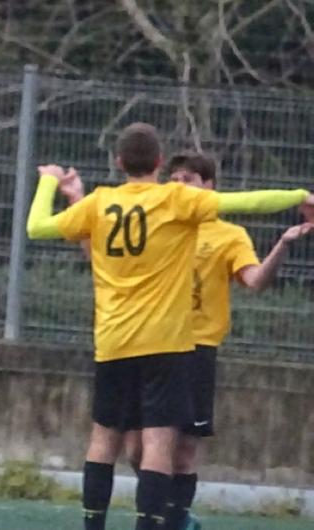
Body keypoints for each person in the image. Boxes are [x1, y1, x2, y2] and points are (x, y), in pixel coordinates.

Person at [26, 122, 313, 530]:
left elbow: (36, 227)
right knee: (158, 443)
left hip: (113, 341)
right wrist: (299, 196)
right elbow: (247, 201)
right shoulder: (174, 200)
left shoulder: (100, 202)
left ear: (119, 162)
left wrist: (48, 182)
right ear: (159, 163)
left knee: (103, 440)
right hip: (165, 344)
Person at [117, 152, 312, 530]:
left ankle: (175, 520)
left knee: (184, 449)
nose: (179, 186)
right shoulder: (157, 225)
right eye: (174, 179)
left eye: (189, 179)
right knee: (137, 448)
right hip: (150, 343)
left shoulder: (228, 235)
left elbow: (254, 280)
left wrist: (284, 243)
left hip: (196, 350)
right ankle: (166, 510)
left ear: (209, 186)